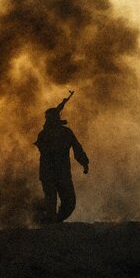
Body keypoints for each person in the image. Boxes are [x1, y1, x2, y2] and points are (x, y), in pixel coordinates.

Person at [34, 91, 88, 223]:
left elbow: (77, 148)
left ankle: (54, 221)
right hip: (49, 174)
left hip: (62, 174)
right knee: (50, 202)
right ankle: (49, 224)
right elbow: (43, 147)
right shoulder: (44, 135)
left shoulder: (65, 133)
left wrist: (84, 162)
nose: (47, 120)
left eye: (49, 118)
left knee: (69, 203)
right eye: (47, 118)